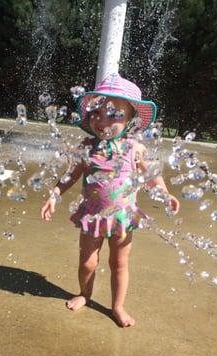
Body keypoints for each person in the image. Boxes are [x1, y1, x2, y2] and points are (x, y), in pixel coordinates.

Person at [40, 74, 180, 327]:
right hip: (93, 217)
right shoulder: (86, 147)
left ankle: (117, 306)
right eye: (97, 112)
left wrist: (165, 193)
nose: (102, 120)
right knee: (87, 262)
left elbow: (151, 176)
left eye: (114, 115)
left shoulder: (134, 149)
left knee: (119, 262)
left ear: (130, 120)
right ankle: (85, 294)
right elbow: (71, 175)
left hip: (122, 218)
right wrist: (54, 195)